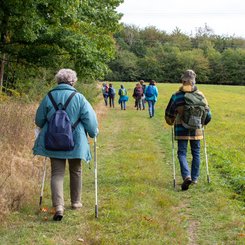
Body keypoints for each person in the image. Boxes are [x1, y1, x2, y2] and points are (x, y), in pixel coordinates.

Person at [33, 68, 98, 221]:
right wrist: (93, 132)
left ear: (58, 81)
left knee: (57, 173)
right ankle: (75, 202)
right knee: (76, 170)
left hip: (53, 141)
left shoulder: (49, 96)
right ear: (73, 81)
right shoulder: (79, 97)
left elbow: (39, 120)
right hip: (76, 141)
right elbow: (90, 120)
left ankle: (59, 206)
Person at [165, 69, 211, 191]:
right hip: (197, 130)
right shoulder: (201, 95)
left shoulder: (176, 96)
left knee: (182, 153)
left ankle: (187, 176)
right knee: (196, 153)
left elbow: (169, 114)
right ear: (193, 81)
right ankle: (195, 178)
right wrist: (202, 123)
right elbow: (208, 115)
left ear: (183, 81)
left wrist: (171, 121)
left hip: (181, 130)